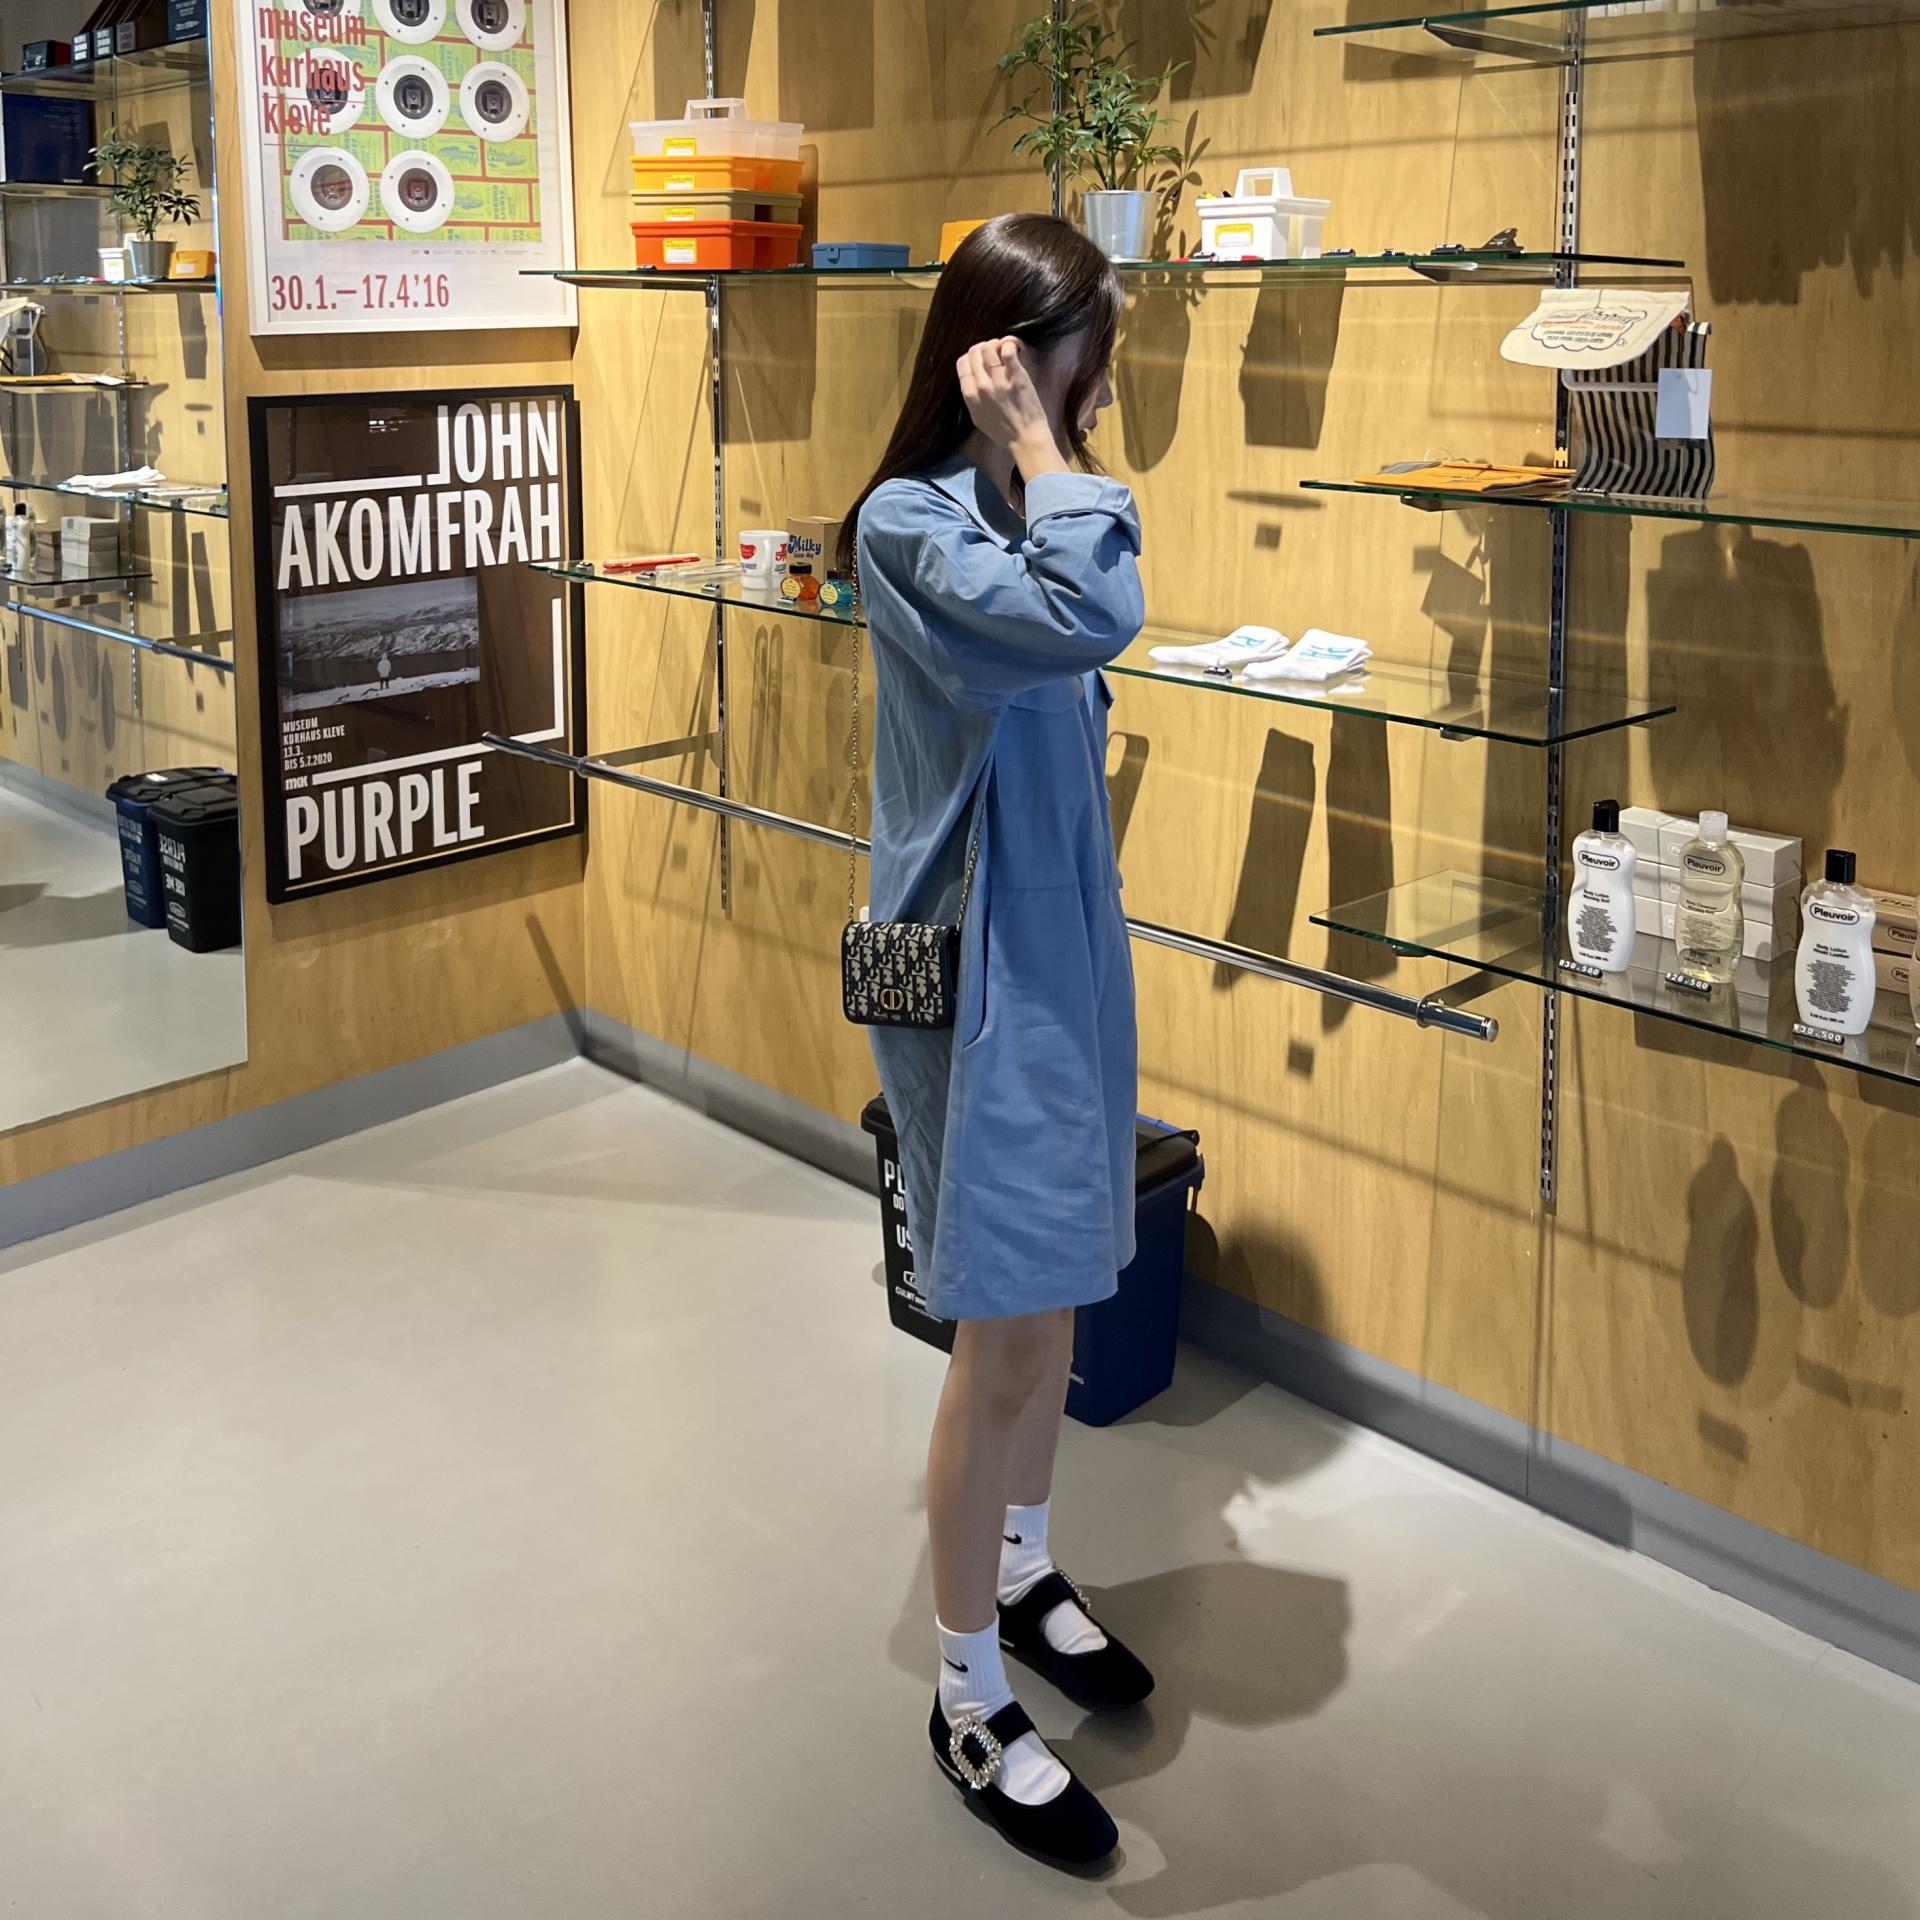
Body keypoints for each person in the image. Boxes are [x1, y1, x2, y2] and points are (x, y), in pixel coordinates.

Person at [841, 213, 1152, 1873]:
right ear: (1013, 359)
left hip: (1061, 947)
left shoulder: (1030, 504)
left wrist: (1044, 461)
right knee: (1005, 1326)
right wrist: (1039, 446)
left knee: (1060, 1288)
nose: (1106, 379)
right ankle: (966, 1696)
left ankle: (1023, 1571)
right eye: (1090, 347)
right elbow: (1090, 615)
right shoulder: (910, 524)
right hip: (970, 967)